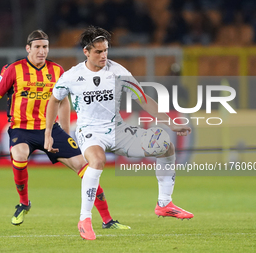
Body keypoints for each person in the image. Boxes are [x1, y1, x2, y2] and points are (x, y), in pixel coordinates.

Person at [44, 26, 194, 240]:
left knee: (166, 145)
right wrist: (49, 132)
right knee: (97, 160)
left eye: (106, 50)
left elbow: (143, 99)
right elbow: (55, 100)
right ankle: (85, 219)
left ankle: (164, 203)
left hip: (118, 129)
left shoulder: (118, 72)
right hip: (89, 131)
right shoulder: (72, 76)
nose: (104, 55)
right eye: (98, 51)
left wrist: (171, 123)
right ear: (86, 52)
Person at [0, 29, 130, 230]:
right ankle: (24, 202)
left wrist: (64, 131)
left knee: (86, 168)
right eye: (37, 47)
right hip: (22, 129)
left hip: (50, 129)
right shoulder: (13, 69)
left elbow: (63, 101)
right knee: (19, 154)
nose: (41, 51)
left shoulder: (57, 71)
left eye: (45, 47)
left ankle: (108, 220)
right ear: (28, 48)